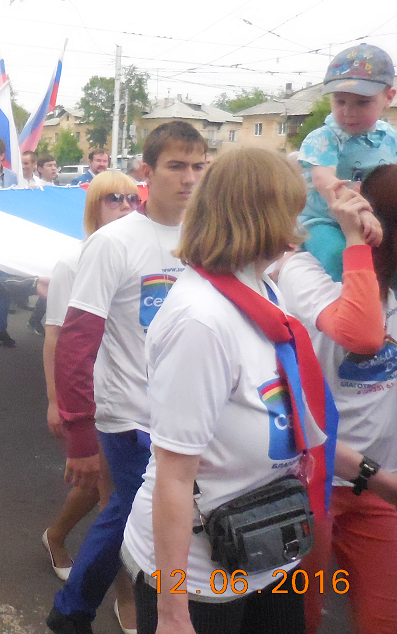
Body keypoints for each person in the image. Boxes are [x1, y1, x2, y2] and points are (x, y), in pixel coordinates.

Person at [121, 147, 390, 634]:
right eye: (291, 212)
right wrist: (173, 613)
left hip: (267, 554)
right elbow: (174, 478)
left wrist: (375, 479)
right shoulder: (202, 322)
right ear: (260, 217)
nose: (299, 228)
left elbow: (294, 424)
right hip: (201, 576)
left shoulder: (262, 291)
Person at [48, 121, 207, 634]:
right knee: (136, 510)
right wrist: (79, 432)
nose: (189, 178)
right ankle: (77, 610)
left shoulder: (204, 237)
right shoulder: (113, 243)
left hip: (185, 411)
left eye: (198, 166)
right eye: (176, 166)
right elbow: (75, 341)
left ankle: (80, 609)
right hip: (127, 413)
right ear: (147, 172)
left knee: (140, 512)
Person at [279, 164, 397, 634]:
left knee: (383, 619)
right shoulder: (304, 269)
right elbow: (361, 332)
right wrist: (352, 238)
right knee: (301, 618)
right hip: (311, 483)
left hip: (381, 487)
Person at [42, 172, 140, 590]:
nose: (126, 205)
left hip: (137, 393)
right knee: (113, 497)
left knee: (105, 487)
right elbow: (55, 337)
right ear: (93, 207)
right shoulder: (72, 262)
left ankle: (56, 535)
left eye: (133, 198)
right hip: (93, 396)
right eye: (114, 198)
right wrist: (56, 402)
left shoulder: (147, 255)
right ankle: (124, 595)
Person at [298, 43, 397, 282]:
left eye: (362, 102)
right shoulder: (324, 138)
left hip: (376, 219)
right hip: (325, 221)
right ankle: (347, 301)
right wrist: (360, 211)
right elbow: (324, 181)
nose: (349, 111)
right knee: (339, 256)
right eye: (340, 101)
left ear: (388, 97)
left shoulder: (389, 136)